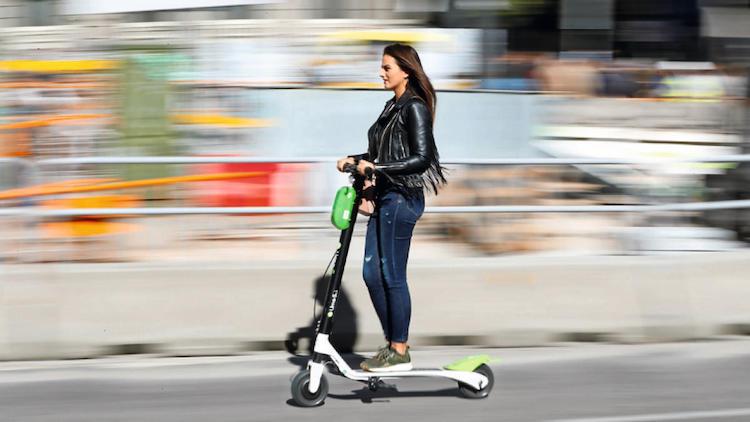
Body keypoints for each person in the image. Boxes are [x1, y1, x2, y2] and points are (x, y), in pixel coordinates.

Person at [336, 43, 447, 372]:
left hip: (403, 198)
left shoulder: (414, 107)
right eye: (382, 67)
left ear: (406, 71)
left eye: (387, 67)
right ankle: (392, 344)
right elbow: (380, 154)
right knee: (372, 273)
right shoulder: (391, 107)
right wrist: (356, 161)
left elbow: (421, 157)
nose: (381, 72)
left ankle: (399, 348)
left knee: (391, 275)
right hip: (385, 197)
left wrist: (376, 171)